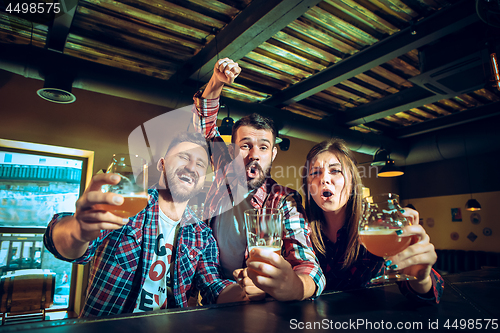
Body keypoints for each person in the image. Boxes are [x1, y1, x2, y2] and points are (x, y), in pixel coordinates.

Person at [44, 132, 248, 317]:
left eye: (201, 164)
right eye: (184, 157)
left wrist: (246, 291)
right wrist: (76, 232)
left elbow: (213, 285)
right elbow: (70, 247)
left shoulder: (203, 235)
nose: (192, 167)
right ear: (162, 164)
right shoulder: (127, 205)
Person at [192, 58, 325, 302]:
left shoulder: (284, 199)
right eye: (245, 145)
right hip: (214, 296)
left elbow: (307, 265)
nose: (254, 155)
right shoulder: (226, 170)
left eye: (263, 147)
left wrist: (291, 287)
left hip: (263, 305)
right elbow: (206, 127)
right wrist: (216, 82)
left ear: (273, 154)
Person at [301, 138, 443, 302]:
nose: (324, 179)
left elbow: (429, 296)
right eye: (315, 173)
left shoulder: (380, 226)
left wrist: (421, 279)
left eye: (335, 171)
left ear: (353, 181)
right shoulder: (300, 231)